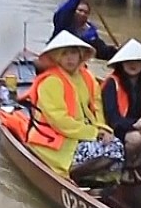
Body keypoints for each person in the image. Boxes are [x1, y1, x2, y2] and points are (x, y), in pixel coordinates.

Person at [23, 30, 124, 182]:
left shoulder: (87, 77)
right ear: (58, 57)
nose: (70, 58)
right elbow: (59, 121)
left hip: (82, 134)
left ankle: (94, 176)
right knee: (111, 150)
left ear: (80, 56)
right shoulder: (51, 82)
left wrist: (102, 128)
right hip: (56, 139)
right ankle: (74, 175)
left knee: (116, 145)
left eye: (73, 53)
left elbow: (97, 106)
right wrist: (94, 133)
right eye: (64, 54)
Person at [101, 38, 141, 182]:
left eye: (137, 61)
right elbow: (112, 117)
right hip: (118, 129)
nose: (133, 64)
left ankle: (137, 166)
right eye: (128, 61)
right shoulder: (112, 83)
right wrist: (133, 125)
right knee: (136, 138)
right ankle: (126, 167)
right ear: (121, 63)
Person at [50, 0, 119, 61]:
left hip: (76, 63)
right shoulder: (64, 24)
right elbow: (63, 11)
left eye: (85, 12)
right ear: (74, 11)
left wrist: (116, 51)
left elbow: (101, 51)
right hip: (56, 59)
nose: (82, 14)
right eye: (80, 10)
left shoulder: (91, 32)